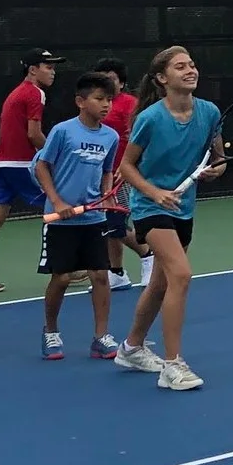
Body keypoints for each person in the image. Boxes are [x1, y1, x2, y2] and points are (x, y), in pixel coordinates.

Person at [115, 46, 224, 390]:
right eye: (180, 67)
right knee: (182, 274)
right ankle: (173, 365)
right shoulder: (149, 118)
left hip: (184, 207)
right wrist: (154, 193)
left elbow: (218, 160)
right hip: (151, 207)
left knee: (162, 283)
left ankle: (131, 347)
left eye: (192, 64)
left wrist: (214, 171)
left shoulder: (208, 113)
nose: (190, 70)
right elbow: (126, 167)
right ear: (162, 79)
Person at [32, 72, 121, 360]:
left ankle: (101, 336)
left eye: (109, 99)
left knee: (100, 276)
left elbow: (107, 171)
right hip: (61, 220)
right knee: (62, 278)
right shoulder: (62, 131)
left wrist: (106, 196)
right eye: (99, 99)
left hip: (93, 219)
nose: (106, 105)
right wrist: (57, 201)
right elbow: (42, 167)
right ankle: (51, 332)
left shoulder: (111, 136)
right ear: (80, 102)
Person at [0, 50, 64, 294]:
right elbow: (34, 134)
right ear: (33, 69)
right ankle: (65, 267)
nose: (52, 71)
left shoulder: (17, 93)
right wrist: (56, 156)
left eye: (54, 67)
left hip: (1, 164)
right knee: (59, 207)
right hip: (21, 164)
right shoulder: (34, 93)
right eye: (47, 66)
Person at [93, 57, 138, 290]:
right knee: (108, 224)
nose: (106, 83)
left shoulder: (129, 103)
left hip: (123, 174)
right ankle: (117, 272)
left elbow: (135, 139)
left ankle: (148, 254)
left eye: (111, 79)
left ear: (121, 83)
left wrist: (125, 167)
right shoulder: (96, 104)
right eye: (102, 79)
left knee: (114, 222)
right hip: (100, 174)